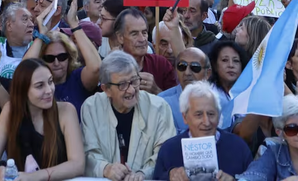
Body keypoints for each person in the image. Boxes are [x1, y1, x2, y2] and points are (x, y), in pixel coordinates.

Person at [0, 58, 86, 180]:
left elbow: (78, 164)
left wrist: (34, 177)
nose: (49, 90)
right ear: (23, 90)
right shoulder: (10, 110)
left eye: (50, 81)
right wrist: (0, 170)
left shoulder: (66, 111)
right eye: (39, 86)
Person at [80, 51, 175, 180]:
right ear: (106, 89)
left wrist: (143, 174)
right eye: (122, 85)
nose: (131, 90)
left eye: (134, 81)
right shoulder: (91, 108)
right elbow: (88, 153)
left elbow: (165, 154)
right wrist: (106, 168)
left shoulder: (159, 107)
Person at [151, 80, 252, 180]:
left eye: (211, 114)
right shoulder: (169, 149)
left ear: (219, 115)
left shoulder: (238, 147)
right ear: (185, 117)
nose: (206, 122)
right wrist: (169, 176)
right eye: (198, 115)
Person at [111, 9, 179, 92]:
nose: (142, 39)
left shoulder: (161, 64)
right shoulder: (111, 68)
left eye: (144, 32)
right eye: (134, 34)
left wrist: (156, 91)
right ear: (120, 37)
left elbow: (174, 101)